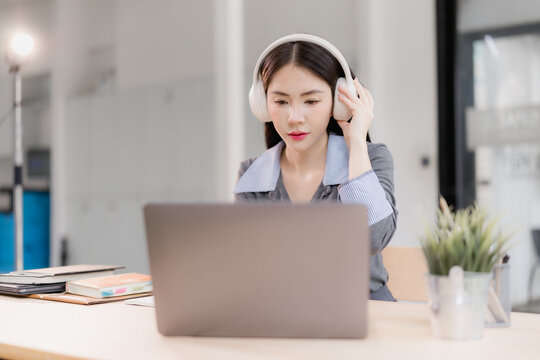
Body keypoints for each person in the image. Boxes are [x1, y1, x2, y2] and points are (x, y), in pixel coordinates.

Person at [234, 34, 398, 301]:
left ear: (339, 103)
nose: (294, 118)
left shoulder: (371, 158)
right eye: (280, 101)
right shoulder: (253, 173)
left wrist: (356, 142)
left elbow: (373, 239)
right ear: (263, 106)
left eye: (311, 101)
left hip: (367, 309)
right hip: (286, 310)